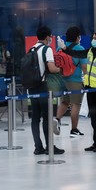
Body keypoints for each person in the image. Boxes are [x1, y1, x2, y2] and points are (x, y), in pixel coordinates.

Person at [58, 31, 96, 152]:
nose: (93, 40)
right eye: (93, 38)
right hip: (90, 89)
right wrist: (65, 48)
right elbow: (76, 53)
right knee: (93, 117)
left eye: (95, 38)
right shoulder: (90, 51)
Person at [29, 26, 65, 155]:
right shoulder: (47, 49)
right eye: (50, 36)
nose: (51, 38)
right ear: (47, 37)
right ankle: (50, 146)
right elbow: (51, 68)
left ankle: (38, 147)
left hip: (32, 87)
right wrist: (60, 69)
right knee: (47, 117)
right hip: (44, 87)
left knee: (35, 118)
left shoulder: (31, 49)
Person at [53, 26, 87, 138]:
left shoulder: (60, 48)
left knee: (64, 102)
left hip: (62, 80)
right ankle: (74, 129)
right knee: (76, 105)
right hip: (75, 81)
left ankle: (57, 119)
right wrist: (87, 77)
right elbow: (84, 67)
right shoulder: (79, 48)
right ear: (77, 37)